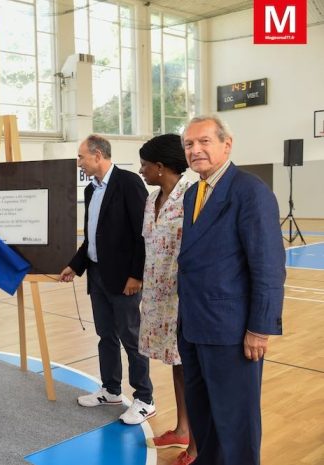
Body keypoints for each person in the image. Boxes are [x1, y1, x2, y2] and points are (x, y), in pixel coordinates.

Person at [178, 115, 285, 465]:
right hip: (193, 326)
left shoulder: (250, 192)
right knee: (205, 418)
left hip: (232, 330)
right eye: (189, 145)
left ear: (227, 144)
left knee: (235, 422)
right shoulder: (193, 192)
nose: (196, 150)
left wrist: (260, 327)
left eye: (204, 141)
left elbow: (268, 265)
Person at [60, 135, 154, 425]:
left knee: (131, 337)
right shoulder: (91, 190)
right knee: (106, 336)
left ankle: (145, 398)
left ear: (97, 155)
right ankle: (111, 389)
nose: (79, 162)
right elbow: (92, 237)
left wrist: (136, 275)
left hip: (125, 278)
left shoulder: (128, 183)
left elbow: (142, 233)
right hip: (98, 275)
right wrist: (75, 266)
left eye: (81, 157)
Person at [137, 134, 196, 465]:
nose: (142, 170)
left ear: (160, 167)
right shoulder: (152, 199)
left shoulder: (192, 196)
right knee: (176, 366)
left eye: (146, 164)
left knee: (191, 370)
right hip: (158, 299)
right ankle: (182, 428)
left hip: (183, 298)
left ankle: (197, 443)